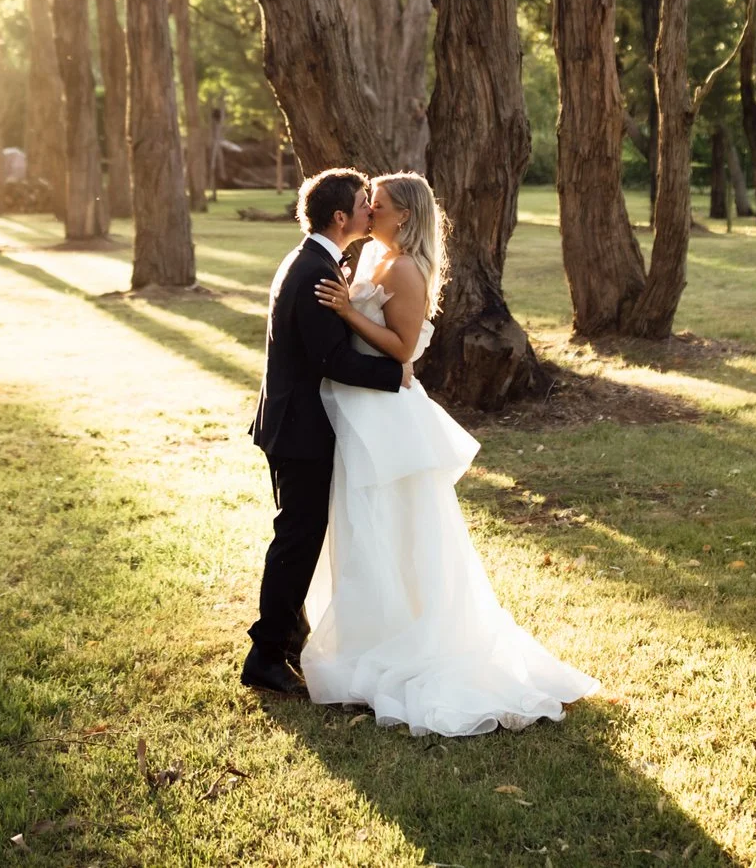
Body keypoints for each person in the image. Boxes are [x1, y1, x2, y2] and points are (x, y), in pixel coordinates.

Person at [301, 171, 599, 736]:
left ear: (403, 216)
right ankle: (370, 632)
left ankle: (414, 639)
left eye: (378, 205)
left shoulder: (406, 269)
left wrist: (346, 312)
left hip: (386, 414)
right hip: (357, 407)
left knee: (396, 525)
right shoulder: (371, 259)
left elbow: (403, 349)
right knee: (364, 527)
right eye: (367, 204)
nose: (368, 212)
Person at [241, 167, 406, 696]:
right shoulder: (314, 269)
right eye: (364, 202)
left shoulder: (312, 258)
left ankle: (289, 638)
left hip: (291, 422)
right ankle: (264, 656)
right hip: (300, 430)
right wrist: (394, 374)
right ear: (341, 217)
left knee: (299, 536)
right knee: (297, 540)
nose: (370, 210)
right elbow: (330, 358)